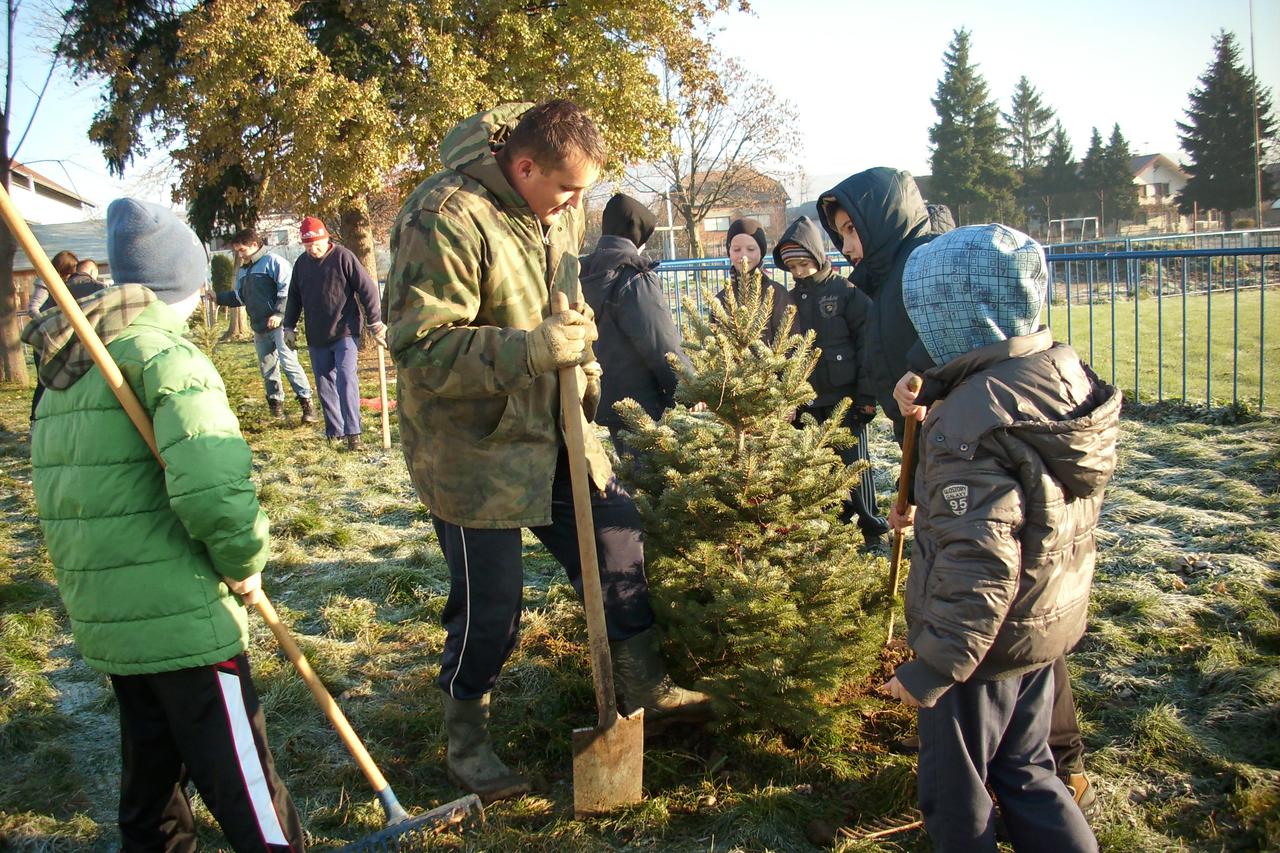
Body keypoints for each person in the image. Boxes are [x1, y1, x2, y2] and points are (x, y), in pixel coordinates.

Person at [385, 100, 711, 804]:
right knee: (492, 606)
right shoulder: (443, 216)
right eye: (567, 188)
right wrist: (530, 349)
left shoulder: (554, 209)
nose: (577, 203)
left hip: (556, 423)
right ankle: (467, 735)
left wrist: (582, 355)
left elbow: (565, 304)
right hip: (473, 446)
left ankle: (641, 684)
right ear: (523, 165)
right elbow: (420, 350)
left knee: (617, 532)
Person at [22, 198, 306, 852]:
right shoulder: (161, 354)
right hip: (183, 614)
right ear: (180, 284)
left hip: (111, 613)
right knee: (244, 784)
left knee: (151, 785)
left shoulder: (67, 364)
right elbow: (213, 484)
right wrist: (244, 559)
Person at [821, 168, 1098, 816]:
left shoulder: (929, 272)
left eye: (850, 229)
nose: (846, 244)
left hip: (965, 483)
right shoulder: (891, 278)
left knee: (1005, 644)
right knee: (1027, 643)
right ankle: (1043, 770)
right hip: (953, 470)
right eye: (840, 233)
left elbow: (951, 391)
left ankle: (1058, 760)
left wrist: (933, 667)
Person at [878, 223, 1120, 853]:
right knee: (1028, 768)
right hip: (1039, 625)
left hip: (974, 653)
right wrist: (933, 388)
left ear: (956, 315)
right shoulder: (1059, 374)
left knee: (958, 795)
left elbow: (979, 562)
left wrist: (932, 667)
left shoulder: (968, 423)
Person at [773, 215, 888, 546]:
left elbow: (869, 345)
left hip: (845, 399)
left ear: (818, 256)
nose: (798, 272)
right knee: (815, 471)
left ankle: (872, 532)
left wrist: (867, 397)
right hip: (808, 402)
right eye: (791, 267)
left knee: (855, 469)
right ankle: (831, 530)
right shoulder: (789, 300)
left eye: (804, 263)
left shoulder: (846, 292)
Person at [579, 193, 691, 454]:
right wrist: (688, 386)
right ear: (639, 235)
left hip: (604, 395)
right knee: (654, 484)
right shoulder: (634, 276)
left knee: (630, 471)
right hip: (643, 401)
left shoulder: (585, 271)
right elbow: (659, 340)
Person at [283, 216, 386, 449]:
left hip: (345, 331)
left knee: (346, 377)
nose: (313, 248)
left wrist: (375, 322)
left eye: (316, 243)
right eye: (308, 245)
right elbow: (294, 298)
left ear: (326, 237)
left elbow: (367, 289)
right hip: (317, 334)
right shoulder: (301, 264)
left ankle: (354, 434)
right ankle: (334, 432)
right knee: (324, 383)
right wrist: (289, 326)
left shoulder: (343, 257)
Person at [212, 228, 317, 424]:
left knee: (289, 363)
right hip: (260, 327)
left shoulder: (274, 262)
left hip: (281, 325)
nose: (239, 254)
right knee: (267, 367)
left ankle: (307, 405)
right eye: (237, 251)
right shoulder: (244, 270)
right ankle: (276, 408)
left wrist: (279, 314)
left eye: (242, 250)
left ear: (254, 245)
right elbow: (238, 297)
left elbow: (288, 290)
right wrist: (218, 297)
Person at [715, 218, 791, 343]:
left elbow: (788, 343)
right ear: (729, 252)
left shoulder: (777, 295)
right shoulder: (721, 299)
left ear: (761, 252)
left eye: (750, 249)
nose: (743, 255)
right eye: (736, 249)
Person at [26, 249, 77, 316]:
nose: (69, 276)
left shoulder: (69, 282)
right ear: (63, 270)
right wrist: (47, 323)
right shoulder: (46, 282)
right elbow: (33, 309)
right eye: (68, 273)